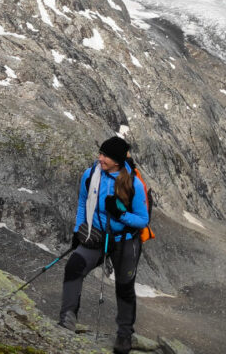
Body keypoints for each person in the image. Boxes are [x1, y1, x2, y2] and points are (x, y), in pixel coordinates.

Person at [59, 136, 149, 354]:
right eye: (100, 153)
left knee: (124, 286)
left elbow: (143, 220)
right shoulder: (91, 175)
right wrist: (77, 231)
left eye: (105, 156)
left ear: (117, 160)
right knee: (73, 267)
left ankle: (124, 335)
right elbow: (83, 201)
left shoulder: (134, 184)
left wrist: (120, 213)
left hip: (124, 241)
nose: (100, 158)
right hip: (96, 236)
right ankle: (67, 321)